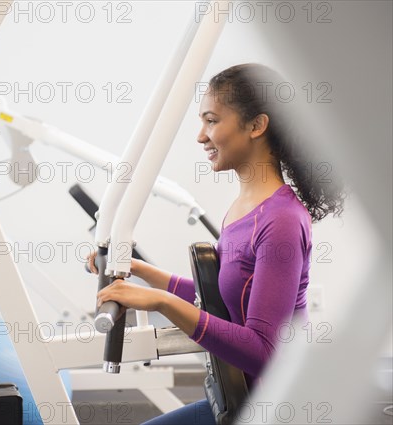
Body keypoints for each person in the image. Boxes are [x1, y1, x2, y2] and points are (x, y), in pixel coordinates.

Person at [88, 63, 346, 424]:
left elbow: (263, 350)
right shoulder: (244, 209)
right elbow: (224, 298)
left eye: (211, 121)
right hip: (240, 398)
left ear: (256, 126)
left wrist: (161, 301)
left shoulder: (281, 220)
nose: (200, 136)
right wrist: (142, 272)